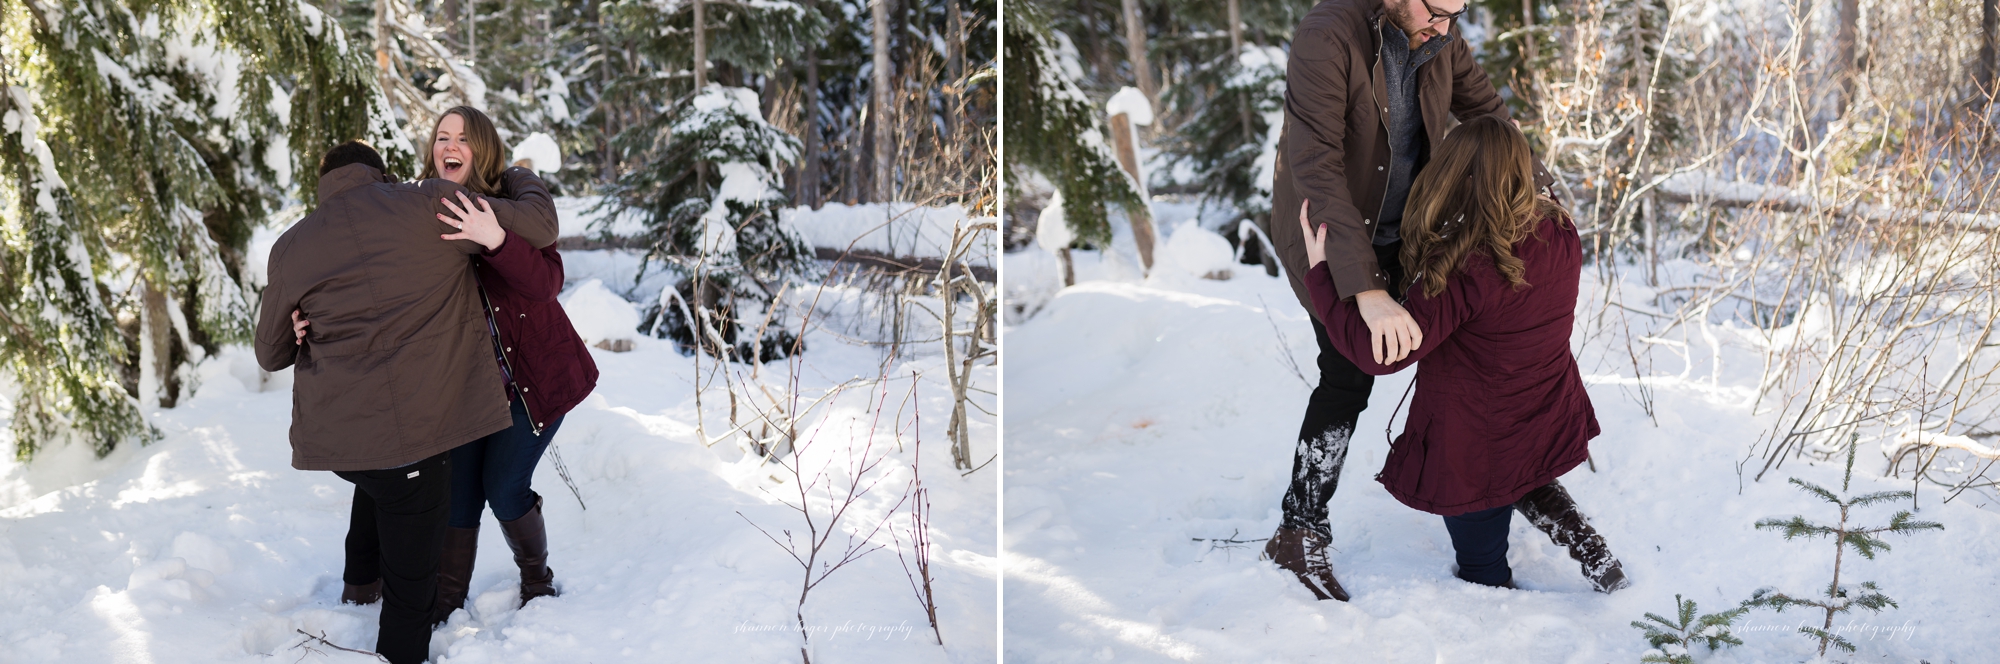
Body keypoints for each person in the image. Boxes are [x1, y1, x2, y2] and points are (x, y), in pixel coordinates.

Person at [1260, 0, 1559, 600]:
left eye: (1459, 13)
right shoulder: (1329, 37)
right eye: (1439, 10)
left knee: (1472, 356)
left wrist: (1541, 193)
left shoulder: (1437, 31)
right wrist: (1365, 289)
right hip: (1332, 235)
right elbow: (1314, 166)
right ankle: (1300, 527)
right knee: (1349, 372)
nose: (1446, 27)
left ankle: (1513, 479)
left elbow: (1490, 118)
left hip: (1411, 231)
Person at [1296, 115, 1628, 593]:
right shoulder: (1559, 227)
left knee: (1482, 560)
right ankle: (1586, 543)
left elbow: (1381, 355)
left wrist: (1324, 275)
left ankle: (1495, 611)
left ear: (1454, 173)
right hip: (1543, 401)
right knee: (1525, 471)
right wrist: (1505, 141)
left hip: (1476, 435)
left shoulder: (1466, 264)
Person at [255, 140, 558, 663]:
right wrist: (516, 176)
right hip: (414, 442)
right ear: (382, 175)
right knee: (413, 576)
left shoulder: (290, 246)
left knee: (374, 475)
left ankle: (358, 586)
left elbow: (270, 352)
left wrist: (295, 328)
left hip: (340, 443)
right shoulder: (427, 203)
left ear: (325, 183)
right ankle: (401, 651)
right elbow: (539, 226)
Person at [415, 107, 599, 617]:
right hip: (468, 389)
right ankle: (446, 603)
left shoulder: (515, 203)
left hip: (533, 382)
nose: (450, 145)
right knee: (458, 494)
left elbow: (546, 285)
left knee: (503, 486)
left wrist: (494, 237)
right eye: (442, 136)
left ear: (483, 148)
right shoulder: (421, 208)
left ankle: (537, 582)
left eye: (463, 138)